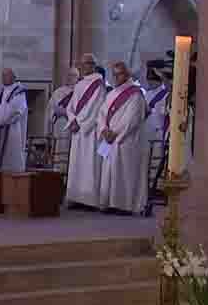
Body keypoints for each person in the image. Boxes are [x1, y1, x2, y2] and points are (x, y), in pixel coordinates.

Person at [97, 61, 148, 215]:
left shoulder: (136, 94)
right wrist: (104, 130)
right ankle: (110, 203)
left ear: (127, 74)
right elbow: (101, 115)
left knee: (124, 173)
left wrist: (115, 133)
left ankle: (123, 205)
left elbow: (132, 119)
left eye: (119, 74)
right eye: (114, 74)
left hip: (126, 141)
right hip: (110, 139)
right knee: (109, 172)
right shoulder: (111, 93)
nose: (116, 77)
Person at [65, 53, 107, 209]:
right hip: (78, 129)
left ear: (93, 65)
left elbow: (96, 109)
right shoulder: (80, 84)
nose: (82, 67)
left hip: (89, 131)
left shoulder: (98, 84)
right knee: (77, 164)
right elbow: (71, 106)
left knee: (89, 164)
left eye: (85, 64)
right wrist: (72, 119)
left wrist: (80, 123)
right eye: (81, 64)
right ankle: (76, 197)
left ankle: (89, 200)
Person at [0, 68, 28, 173]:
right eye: (3, 75)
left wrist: (1, 120)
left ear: (13, 77)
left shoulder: (19, 92)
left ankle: (11, 179)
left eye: (6, 75)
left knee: (11, 159)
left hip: (12, 130)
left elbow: (15, 111)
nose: (3, 78)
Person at [48, 67, 79, 171]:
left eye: (73, 75)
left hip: (73, 125)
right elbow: (51, 109)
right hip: (60, 125)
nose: (70, 78)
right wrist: (58, 111)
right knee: (59, 150)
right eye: (69, 75)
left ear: (78, 77)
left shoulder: (80, 92)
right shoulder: (58, 92)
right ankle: (58, 172)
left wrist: (67, 112)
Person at [142, 68, 169, 146]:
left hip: (162, 130)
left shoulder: (165, 92)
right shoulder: (147, 94)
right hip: (148, 130)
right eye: (149, 80)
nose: (150, 82)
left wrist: (163, 76)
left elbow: (169, 88)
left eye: (152, 80)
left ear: (159, 81)